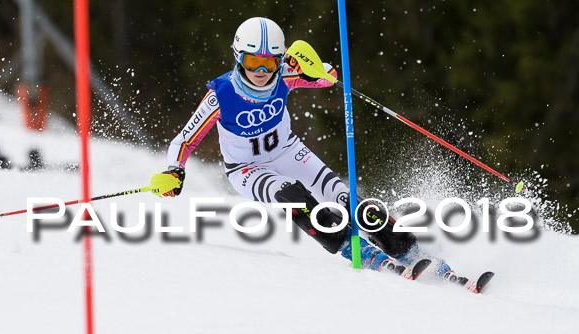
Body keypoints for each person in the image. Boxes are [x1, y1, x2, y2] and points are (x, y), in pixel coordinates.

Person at [158, 17, 466, 284]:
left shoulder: (285, 76)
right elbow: (184, 140)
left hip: (288, 152)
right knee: (293, 196)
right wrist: (175, 170)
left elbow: (328, 77)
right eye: (254, 62)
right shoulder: (222, 95)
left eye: (270, 62)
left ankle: (410, 251)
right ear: (239, 58)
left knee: (348, 201)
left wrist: (312, 67)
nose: (262, 71)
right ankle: (352, 247)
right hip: (248, 169)